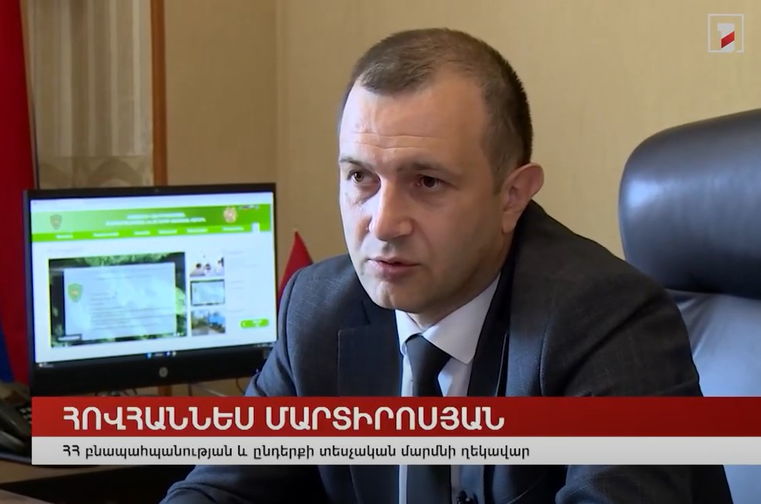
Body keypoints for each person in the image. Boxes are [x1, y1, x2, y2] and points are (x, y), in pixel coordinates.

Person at [163, 28, 732, 504]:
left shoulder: (606, 319)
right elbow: (219, 489)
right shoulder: (315, 309)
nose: (383, 223)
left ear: (512, 197)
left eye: (427, 182)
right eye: (360, 177)